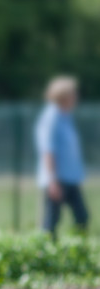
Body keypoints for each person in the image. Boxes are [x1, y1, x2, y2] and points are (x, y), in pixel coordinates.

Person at [35, 76, 89, 236]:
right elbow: (47, 149)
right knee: (51, 223)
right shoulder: (51, 117)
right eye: (73, 94)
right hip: (57, 179)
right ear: (63, 96)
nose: (76, 98)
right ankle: (45, 256)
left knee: (82, 217)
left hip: (70, 178)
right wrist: (52, 180)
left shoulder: (66, 116)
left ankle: (77, 252)